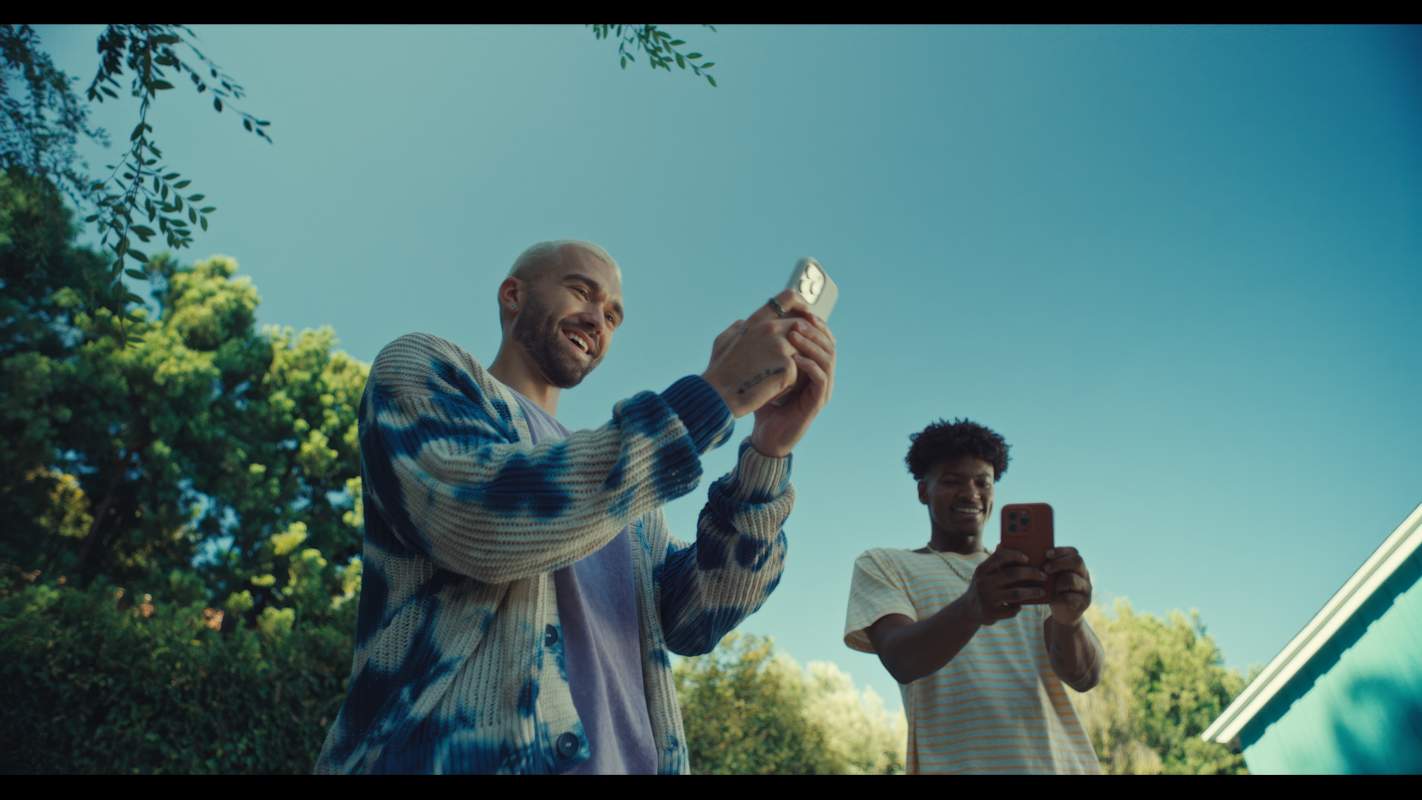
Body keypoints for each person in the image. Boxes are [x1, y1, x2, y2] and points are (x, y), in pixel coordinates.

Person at [315, 240, 836, 774]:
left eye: (613, 314)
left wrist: (769, 452)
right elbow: (481, 524)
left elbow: (697, 620)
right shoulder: (427, 368)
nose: (598, 319)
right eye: (582, 291)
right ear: (513, 295)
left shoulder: (634, 495)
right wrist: (715, 395)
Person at [843, 418, 1103, 774]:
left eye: (983, 481)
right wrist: (973, 607)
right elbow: (901, 659)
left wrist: (1070, 620)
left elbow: (1085, 677)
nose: (971, 493)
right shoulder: (885, 564)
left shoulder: (1029, 571)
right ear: (923, 491)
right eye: (952, 481)